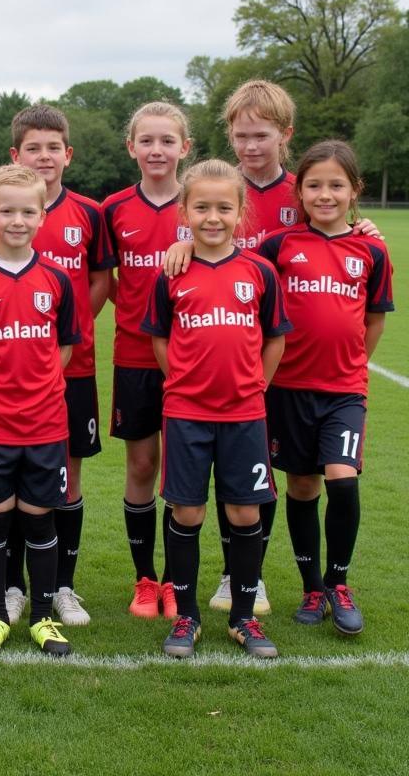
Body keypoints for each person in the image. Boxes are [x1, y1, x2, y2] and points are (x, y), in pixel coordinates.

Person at [164, 80, 381, 617]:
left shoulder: (298, 190)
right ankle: (234, 577)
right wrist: (186, 239)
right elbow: (213, 232)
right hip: (247, 372)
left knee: (257, 482)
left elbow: (341, 251)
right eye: (240, 136)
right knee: (243, 478)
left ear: (284, 135)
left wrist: (363, 227)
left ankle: (273, 579)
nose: (249, 146)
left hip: (300, 369)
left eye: (260, 135)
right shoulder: (224, 187)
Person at [142, 159, 290, 658]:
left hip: (245, 413)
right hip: (186, 412)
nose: (212, 217)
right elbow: (160, 339)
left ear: (240, 211)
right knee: (188, 510)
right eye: (201, 206)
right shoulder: (172, 272)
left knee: (245, 510)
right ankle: (186, 618)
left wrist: (257, 385)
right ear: (184, 210)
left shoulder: (259, 272)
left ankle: (244, 618)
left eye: (224, 207)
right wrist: (183, 379)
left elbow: (275, 339)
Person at [258, 141, 393, 635]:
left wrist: (354, 366)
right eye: (314, 184)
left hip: (343, 391)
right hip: (288, 388)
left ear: (354, 190)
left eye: (337, 184)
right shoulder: (279, 246)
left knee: (342, 477)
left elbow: (374, 320)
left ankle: (338, 583)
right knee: (302, 484)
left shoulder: (371, 250)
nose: (325, 194)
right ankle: (312, 585)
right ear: (300, 190)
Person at [0, 165, 79, 656]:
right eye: (6, 210)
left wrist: (38, 387)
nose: (17, 220)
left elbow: (63, 350)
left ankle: (44, 619)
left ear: (43, 215)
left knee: (39, 519)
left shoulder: (57, 280)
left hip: (46, 423)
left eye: (29, 210)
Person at [5, 104, 113, 626]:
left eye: (53, 148)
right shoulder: (4, 207)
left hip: (73, 369)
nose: (43, 157)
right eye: (33, 148)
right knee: (8, 478)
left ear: (68, 154)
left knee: (66, 477)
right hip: (9, 372)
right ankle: (11, 586)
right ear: (15, 155)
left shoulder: (89, 213)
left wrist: (63, 329)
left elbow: (100, 281)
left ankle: (62, 587)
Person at [102, 101, 192, 620]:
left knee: (182, 469)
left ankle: (178, 582)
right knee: (141, 464)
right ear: (131, 147)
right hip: (134, 356)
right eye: (147, 140)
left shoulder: (200, 201)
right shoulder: (113, 208)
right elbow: (108, 280)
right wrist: (141, 310)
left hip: (192, 360)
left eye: (167, 140)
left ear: (185, 147)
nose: (157, 150)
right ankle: (145, 579)